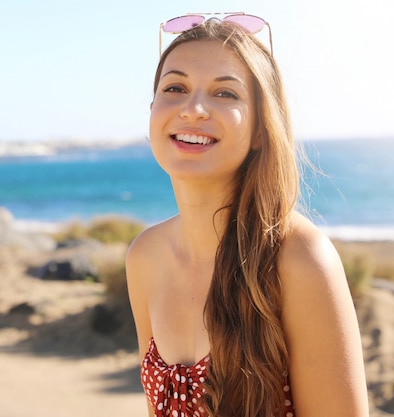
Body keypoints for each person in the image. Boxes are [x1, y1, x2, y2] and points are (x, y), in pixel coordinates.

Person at [126, 13, 369, 417]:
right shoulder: (145, 256)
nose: (193, 109)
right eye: (175, 87)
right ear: (153, 111)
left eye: (225, 94)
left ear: (260, 128)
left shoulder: (299, 258)